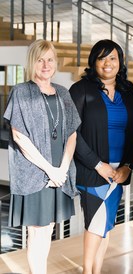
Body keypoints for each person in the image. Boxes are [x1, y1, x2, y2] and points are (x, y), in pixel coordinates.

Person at [3, 39, 80, 274]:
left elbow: (72, 134)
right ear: (32, 63)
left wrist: (63, 169)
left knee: (47, 229)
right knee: (36, 230)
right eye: (40, 60)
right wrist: (51, 170)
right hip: (36, 174)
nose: (46, 65)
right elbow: (19, 137)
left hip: (59, 173)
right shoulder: (22, 92)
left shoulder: (64, 94)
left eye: (50, 59)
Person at [69, 39, 133, 274]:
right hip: (92, 169)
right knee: (95, 224)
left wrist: (128, 166)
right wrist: (98, 164)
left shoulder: (129, 93)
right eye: (102, 58)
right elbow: (72, 133)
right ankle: (88, 271)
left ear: (120, 62)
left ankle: (96, 270)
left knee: (106, 224)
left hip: (119, 171)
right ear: (93, 62)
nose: (107, 63)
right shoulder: (80, 90)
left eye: (112, 58)